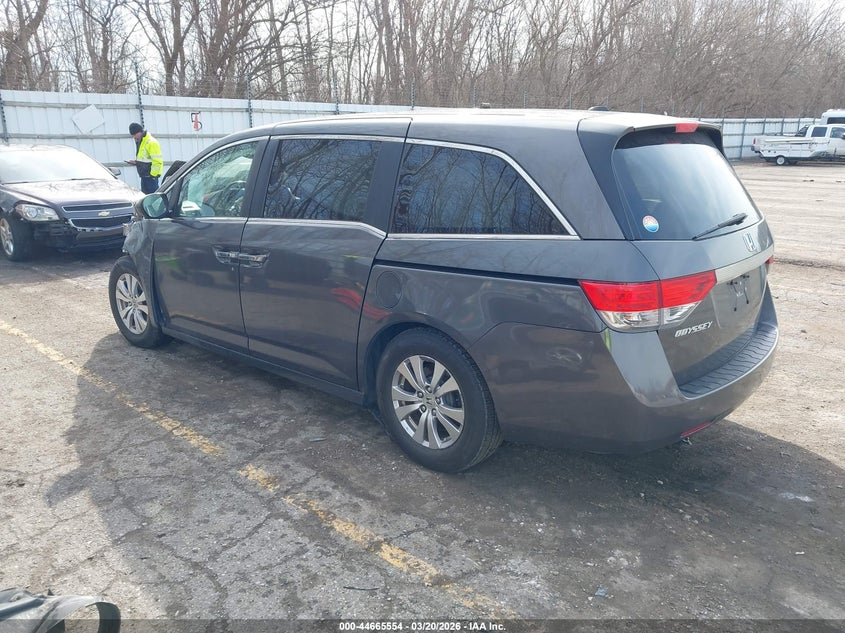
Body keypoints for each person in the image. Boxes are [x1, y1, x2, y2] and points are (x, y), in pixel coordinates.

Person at [127, 122, 163, 194]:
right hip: (144, 176)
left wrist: (153, 175)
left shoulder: (151, 142)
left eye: (134, 134)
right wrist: (136, 163)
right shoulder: (141, 142)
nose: (134, 137)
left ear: (140, 132)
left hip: (150, 177)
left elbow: (157, 161)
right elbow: (144, 159)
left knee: (153, 198)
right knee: (146, 198)